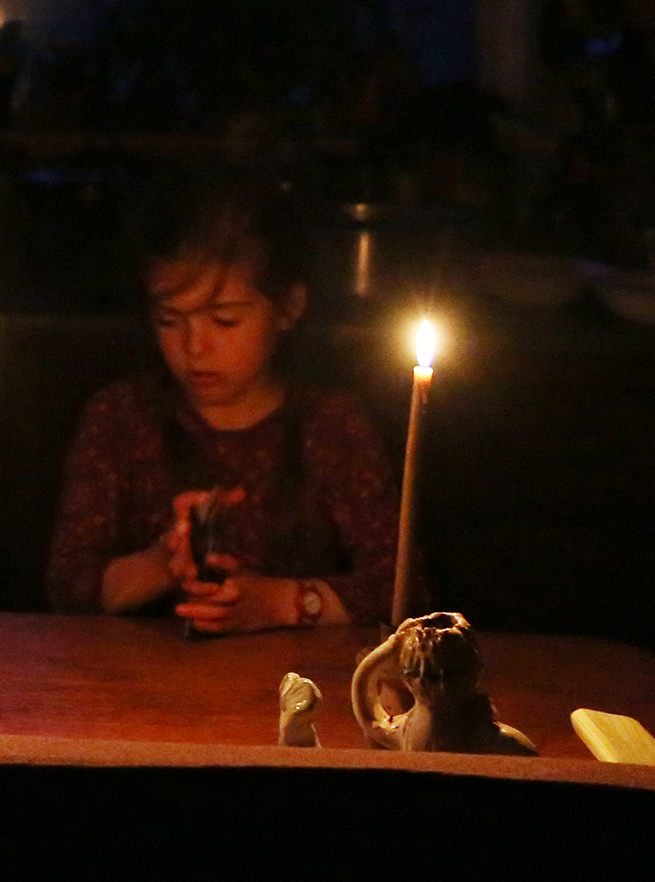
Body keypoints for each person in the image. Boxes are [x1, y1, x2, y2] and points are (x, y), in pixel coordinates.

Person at [45, 172, 397, 632]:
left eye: (225, 321)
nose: (195, 347)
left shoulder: (330, 424)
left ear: (288, 308)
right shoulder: (123, 416)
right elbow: (67, 588)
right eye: (170, 321)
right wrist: (164, 560)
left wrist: (280, 603)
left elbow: (402, 591)